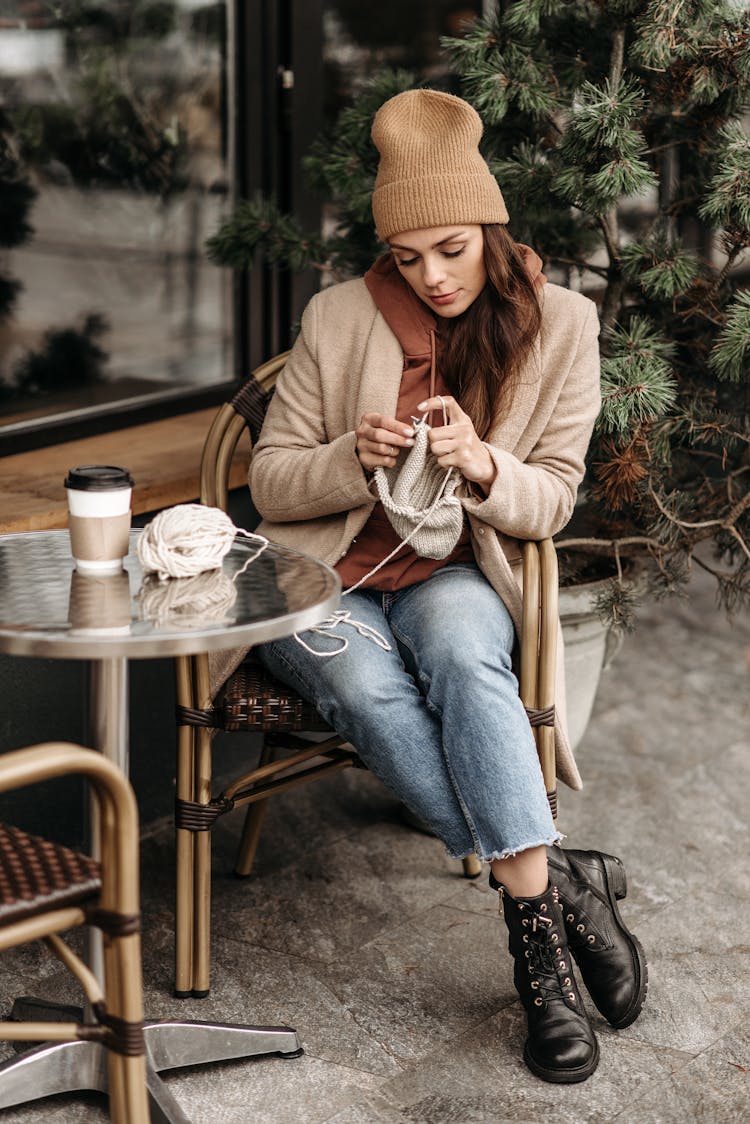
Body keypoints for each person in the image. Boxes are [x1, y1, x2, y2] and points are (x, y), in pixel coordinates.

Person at [248, 89, 647, 1084]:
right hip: (315, 579)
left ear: (492, 230)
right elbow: (270, 478)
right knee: (371, 690)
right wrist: (348, 455)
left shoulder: (562, 325)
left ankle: (537, 956)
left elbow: (551, 499)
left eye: (453, 248)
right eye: (409, 255)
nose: (431, 275)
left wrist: (480, 467)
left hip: (452, 569)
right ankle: (555, 885)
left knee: (471, 657)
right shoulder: (337, 315)